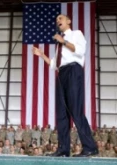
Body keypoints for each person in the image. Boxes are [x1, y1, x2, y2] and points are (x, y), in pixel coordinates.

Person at [32, 14, 98, 157]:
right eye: (56, 20)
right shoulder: (59, 44)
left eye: (60, 19)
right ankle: (63, 149)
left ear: (68, 21)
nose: (58, 21)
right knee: (61, 113)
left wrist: (63, 41)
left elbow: (80, 51)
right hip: (61, 73)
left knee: (76, 110)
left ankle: (90, 147)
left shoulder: (76, 34)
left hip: (74, 71)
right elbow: (55, 65)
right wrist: (41, 55)